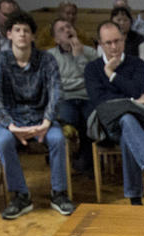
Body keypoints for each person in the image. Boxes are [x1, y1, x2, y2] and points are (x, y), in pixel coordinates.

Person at [0, 11, 75, 219]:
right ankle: (20, 196)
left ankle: (59, 193)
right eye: (17, 30)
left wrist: (46, 122)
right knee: (3, 140)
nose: (22, 35)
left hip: (42, 117)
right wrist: (11, 125)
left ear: (33, 36)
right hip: (12, 120)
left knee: (58, 138)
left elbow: (56, 92)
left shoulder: (47, 60)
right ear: (9, 34)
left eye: (26, 31)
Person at [85, 21, 144, 205]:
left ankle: (136, 196)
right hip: (107, 126)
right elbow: (99, 101)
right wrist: (131, 101)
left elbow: (136, 89)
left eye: (117, 41)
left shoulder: (137, 64)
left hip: (137, 124)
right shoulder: (92, 69)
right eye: (108, 43)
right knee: (127, 118)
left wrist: (112, 75)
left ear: (124, 40)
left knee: (127, 122)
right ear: (101, 45)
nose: (114, 47)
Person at [48, 18, 97, 173]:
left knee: (92, 121)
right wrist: (80, 81)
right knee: (69, 121)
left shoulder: (90, 52)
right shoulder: (50, 56)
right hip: (64, 99)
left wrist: (79, 57)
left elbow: (93, 80)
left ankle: (87, 162)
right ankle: (74, 159)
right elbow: (56, 84)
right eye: (61, 30)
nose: (67, 31)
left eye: (69, 27)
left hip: (87, 97)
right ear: (56, 39)